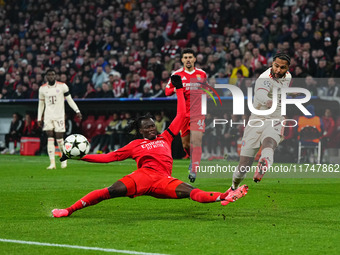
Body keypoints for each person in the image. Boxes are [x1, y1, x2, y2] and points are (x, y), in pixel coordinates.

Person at [52, 75, 248, 218]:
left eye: (153, 125)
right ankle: (68, 210)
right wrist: (79, 156)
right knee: (109, 192)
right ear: (141, 131)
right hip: (141, 178)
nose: (153, 128)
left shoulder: (166, 137)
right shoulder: (135, 145)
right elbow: (108, 157)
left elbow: (181, 115)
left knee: (191, 192)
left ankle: (225, 195)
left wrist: (179, 90)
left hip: (164, 180)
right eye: (148, 127)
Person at [229, 53, 292, 191]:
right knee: (244, 163)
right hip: (257, 119)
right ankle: (234, 187)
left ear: (287, 68)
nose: (278, 70)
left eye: (282, 67)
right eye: (276, 66)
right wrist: (267, 101)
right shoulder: (264, 78)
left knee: (269, 142)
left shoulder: (288, 77)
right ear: (272, 64)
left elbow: (282, 91)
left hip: (275, 118)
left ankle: (264, 162)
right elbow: (261, 93)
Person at [165, 48, 207, 183]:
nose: (188, 59)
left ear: (194, 59)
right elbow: (167, 91)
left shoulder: (202, 74)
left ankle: (194, 169)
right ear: (182, 60)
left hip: (198, 113)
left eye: (190, 57)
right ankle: (191, 158)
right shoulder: (176, 75)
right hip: (183, 114)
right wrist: (177, 87)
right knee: (186, 145)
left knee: (197, 140)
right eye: (185, 57)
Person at [37, 69, 82, 169]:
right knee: (49, 136)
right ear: (46, 77)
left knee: (59, 138)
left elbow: (69, 100)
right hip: (48, 116)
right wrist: (39, 118)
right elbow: (41, 104)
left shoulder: (62, 86)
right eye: (49, 75)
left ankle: (64, 159)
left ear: (55, 76)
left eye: (53, 74)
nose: (51, 76)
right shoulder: (42, 89)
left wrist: (77, 110)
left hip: (59, 116)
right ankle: (52, 163)